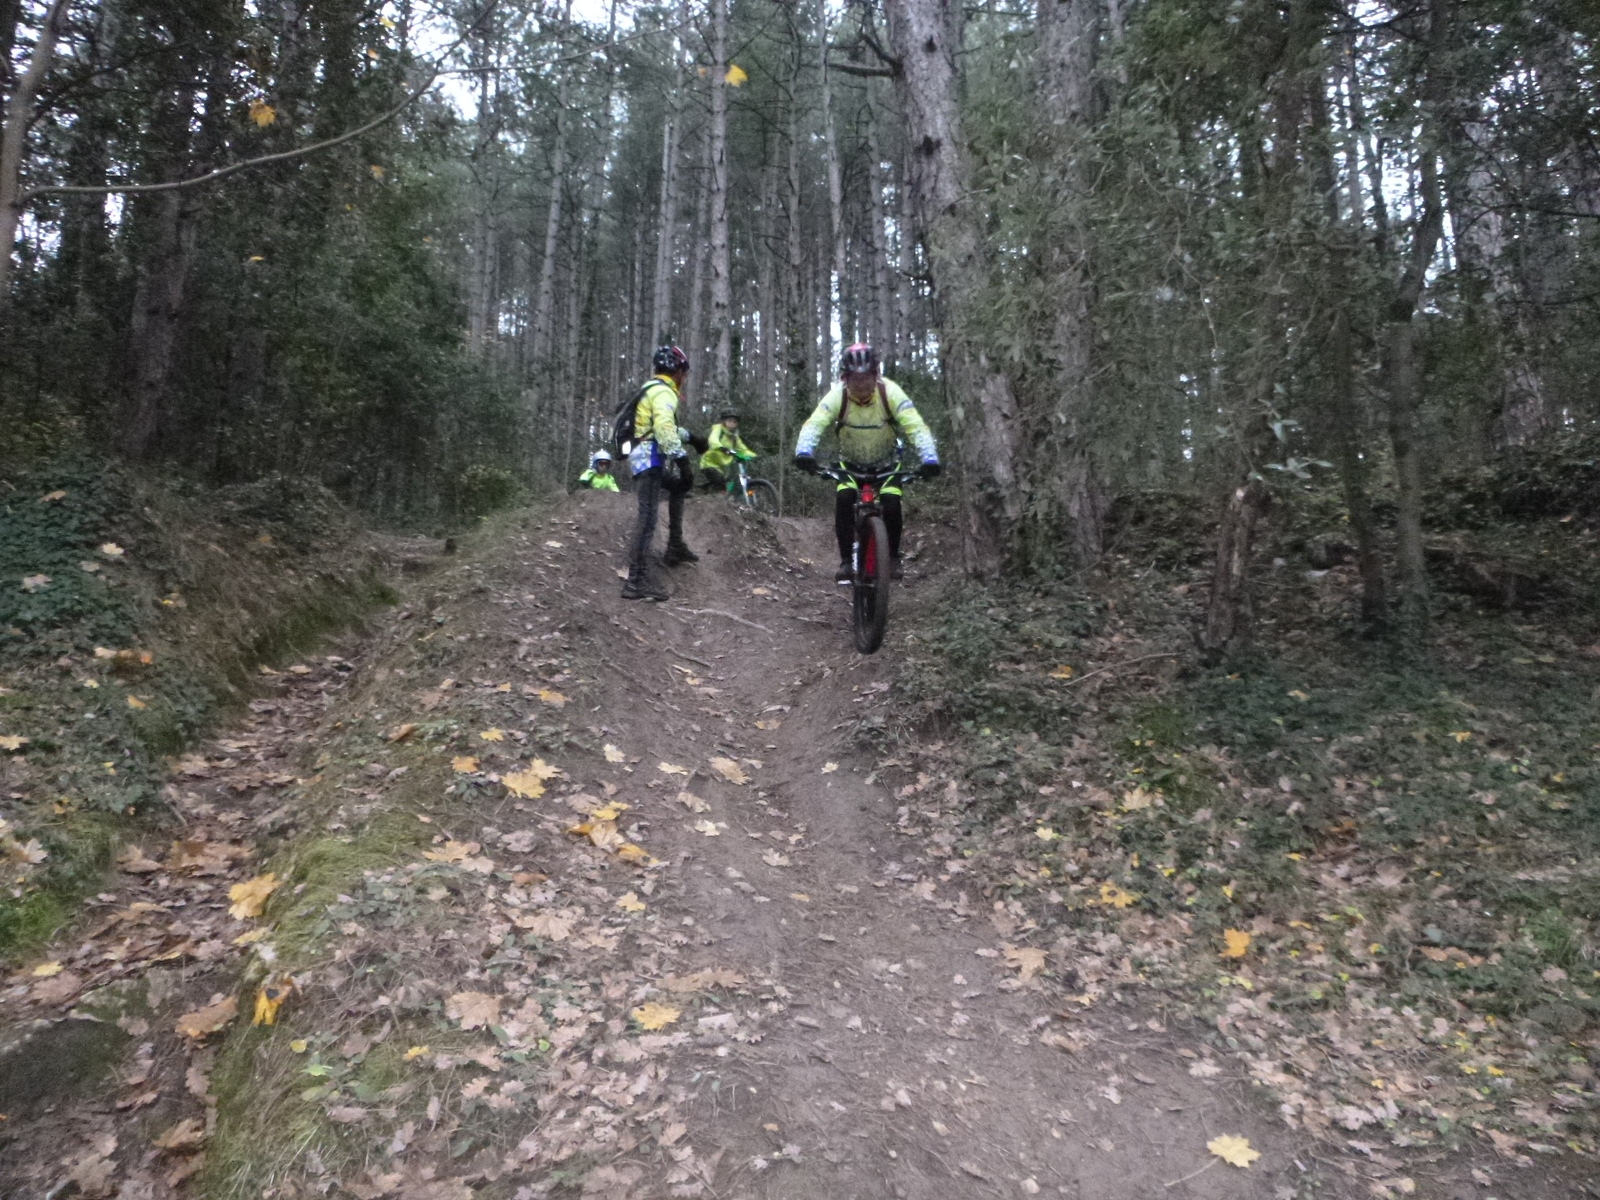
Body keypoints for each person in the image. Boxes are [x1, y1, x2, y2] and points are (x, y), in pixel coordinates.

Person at [793, 342, 941, 582]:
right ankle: (845, 562)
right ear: (845, 378)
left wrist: (929, 456)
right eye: (855, 379)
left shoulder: (890, 392)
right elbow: (815, 422)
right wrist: (804, 451)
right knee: (844, 497)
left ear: (876, 375)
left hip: (887, 462)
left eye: (867, 378)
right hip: (850, 462)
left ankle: (892, 557)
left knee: (892, 502)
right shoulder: (837, 395)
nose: (861, 385)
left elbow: (914, 424)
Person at [623, 346, 698, 600]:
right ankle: (635, 582)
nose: (684, 378)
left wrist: (692, 438)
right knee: (647, 519)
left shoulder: (651, 389)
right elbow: (664, 428)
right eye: (684, 372)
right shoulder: (664, 392)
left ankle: (675, 545)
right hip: (649, 459)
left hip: (641, 457)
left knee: (677, 487)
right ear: (677, 371)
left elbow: (659, 426)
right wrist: (683, 461)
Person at [700, 410, 756, 492]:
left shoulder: (734, 437)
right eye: (729, 421)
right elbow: (713, 439)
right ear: (723, 422)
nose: (732, 424)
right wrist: (721, 448)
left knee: (731, 482)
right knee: (720, 483)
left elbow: (742, 449)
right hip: (709, 463)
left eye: (734, 422)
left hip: (723, 467)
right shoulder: (719, 429)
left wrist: (753, 456)